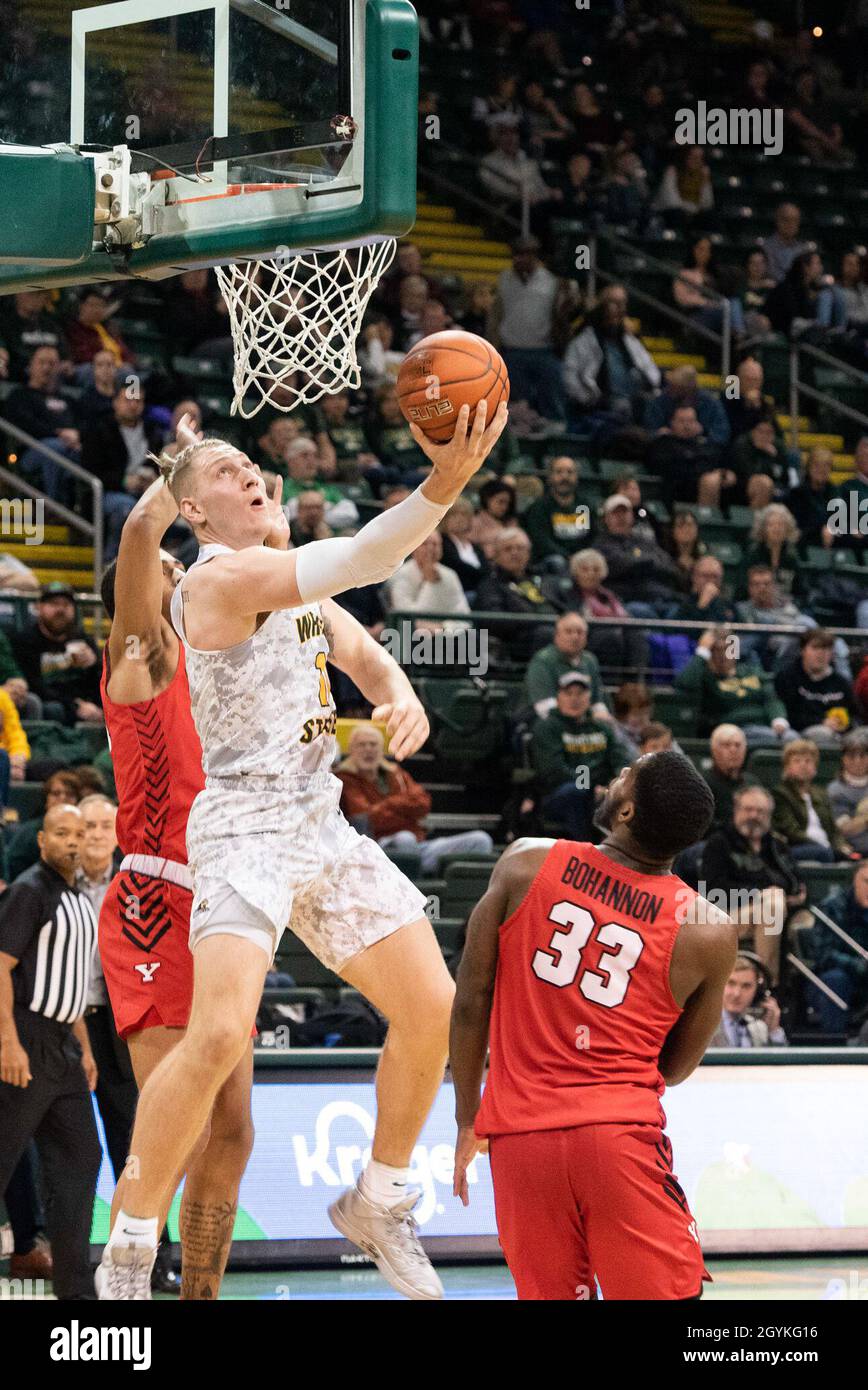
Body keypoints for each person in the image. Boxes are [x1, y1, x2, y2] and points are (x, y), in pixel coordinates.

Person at [96, 398, 508, 1301]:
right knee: (211, 1038)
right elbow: (366, 557)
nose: (251, 473)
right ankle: (128, 1238)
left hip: (318, 821)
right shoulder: (213, 581)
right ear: (195, 513)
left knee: (432, 1006)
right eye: (225, 473)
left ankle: (380, 1197)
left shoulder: (296, 585)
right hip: (242, 823)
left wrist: (401, 694)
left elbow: (362, 652)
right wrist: (444, 486)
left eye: (253, 464)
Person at [450, 750, 737, 1300]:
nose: (615, 777)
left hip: (519, 1140)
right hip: (618, 1141)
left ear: (627, 812)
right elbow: (675, 1068)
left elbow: (469, 1001)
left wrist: (468, 1119)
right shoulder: (707, 929)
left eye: (627, 775)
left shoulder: (525, 861)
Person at [0, 803, 102, 1301]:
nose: (71, 842)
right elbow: (0, 967)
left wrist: (83, 1047)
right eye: (61, 833)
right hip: (24, 1036)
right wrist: (7, 1041)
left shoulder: (79, 898)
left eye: (78, 834)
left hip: (62, 1046)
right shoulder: (29, 891)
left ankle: (77, 1294)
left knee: (82, 1157)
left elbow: (72, 984)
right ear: (42, 841)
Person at [337, 725, 492, 874]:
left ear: (382, 749)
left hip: (419, 846)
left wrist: (389, 806)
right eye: (362, 745)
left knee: (481, 840)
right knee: (405, 838)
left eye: (373, 744)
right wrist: (404, 808)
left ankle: (421, 872)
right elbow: (368, 818)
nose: (368, 749)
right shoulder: (344, 778)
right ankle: (415, 887)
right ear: (351, 750)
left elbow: (423, 803)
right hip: (376, 849)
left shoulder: (396, 773)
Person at [700, 784, 804, 981]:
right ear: (737, 810)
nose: (754, 816)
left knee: (803, 922)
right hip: (726, 916)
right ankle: (766, 983)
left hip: (779, 911)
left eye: (761, 812)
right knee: (771, 906)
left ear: (769, 816)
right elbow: (713, 891)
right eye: (748, 810)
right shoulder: (719, 842)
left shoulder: (775, 844)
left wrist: (792, 893)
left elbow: (795, 881)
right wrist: (759, 894)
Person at [488, 236, 573, 423]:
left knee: (552, 396)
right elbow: (496, 315)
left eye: (525, 255)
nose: (520, 259)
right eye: (517, 255)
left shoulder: (552, 281)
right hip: (512, 349)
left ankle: (556, 427)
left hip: (544, 349)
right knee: (517, 403)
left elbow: (565, 313)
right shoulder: (504, 279)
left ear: (534, 256)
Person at [530, 672, 622, 840]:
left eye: (580, 693)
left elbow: (619, 760)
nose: (574, 699)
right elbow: (554, 771)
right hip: (558, 795)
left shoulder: (602, 728)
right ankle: (585, 850)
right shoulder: (547, 727)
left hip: (600, 792)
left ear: (590, 697)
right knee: (578, 791)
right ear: (558, 697)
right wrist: (591, 786)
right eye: (568, 693)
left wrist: (613, 786)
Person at [562, 284, 660, 433]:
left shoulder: (630, 341)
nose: (620, 308)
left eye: (623, 303)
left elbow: (652, 372)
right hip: (601, 404)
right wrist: (588, 399)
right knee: (622, 408)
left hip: (636, 400)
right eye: (614, 302)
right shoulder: (584, 341)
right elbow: (569, 377)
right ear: (602, 305)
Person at [675, 628, 792, 746]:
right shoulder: (706, 676)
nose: (723, 655)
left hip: (766, 727)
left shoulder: (751, 670)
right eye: (717, 650)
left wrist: (778, 719)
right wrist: (701, 652)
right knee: (784, 740)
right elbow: (684, 684)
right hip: (733, 731)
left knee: (794, 739)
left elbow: (770, 696)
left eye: (727, 648)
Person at [11, 583, 103, 727]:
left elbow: (99, 682)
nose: (60, 609)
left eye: (66, 604)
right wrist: (75, 706)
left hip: (86, 707)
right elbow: (33, 685)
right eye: (54, 604)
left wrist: (95, 664)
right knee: (54, 709)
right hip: (52, 706)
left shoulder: (83, 641)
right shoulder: (25, 640)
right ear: (39, 607)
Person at [559, 548, 648, 675]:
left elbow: (628, 618)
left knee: (636, 632)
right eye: (585, 569)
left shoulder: (610, 597)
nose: (591, 574)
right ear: (576, 572)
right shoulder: (568, 595)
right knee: (611, 636)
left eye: (596, 570)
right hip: (587, 639)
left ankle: (635, 681)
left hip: (616, 637)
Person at [595, 494, 684, 617]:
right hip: (630, 601)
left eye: (625, 512)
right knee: (641, 612)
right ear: (606, 518)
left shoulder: (646, 541)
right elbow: (621, 565)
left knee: (682, 611)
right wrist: (650, 563)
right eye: (616, 513)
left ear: (632, 516)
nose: (621, 517)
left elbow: (669, 566)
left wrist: (644, 563)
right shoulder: (602, 545)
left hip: (663, 599)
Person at [805, 861, 868, 1035]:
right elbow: (822, 955)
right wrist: (859, 965)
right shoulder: (832, 906)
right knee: (836, 979)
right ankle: (834, 1044)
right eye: (867, 882)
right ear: (854, 881)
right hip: (832, 978)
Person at [772, 739, 849, 864]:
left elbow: (834, 830)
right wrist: (823, 845)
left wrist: (842, 846)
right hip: (795, 848)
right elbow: (791, 832)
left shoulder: (821, 794)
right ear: (787, 767)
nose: (803, 765)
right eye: (797, 761)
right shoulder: (780, 794)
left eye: (808, 761)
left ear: (815, 767)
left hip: (826, 848)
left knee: (854, 858)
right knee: (824, 853)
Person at [524, 612, 609, 722]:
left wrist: (603, 717)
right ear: (557, 636)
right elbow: (545, 707)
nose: (575, 637)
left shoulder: (590, 660)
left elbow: (597, 702)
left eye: (580, 632)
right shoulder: (543, 660)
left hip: (585, 724)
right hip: (547, 723)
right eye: (568, 632)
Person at [773, 629, 854, 744]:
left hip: (840, 732)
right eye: (815, 648)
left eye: (826, 649)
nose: (821, 653)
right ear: (803, 650)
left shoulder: (841, 682)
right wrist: (822, 722)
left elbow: (855, 713)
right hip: (800, 731)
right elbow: (789, 715)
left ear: (832, 653)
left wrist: (844, 723)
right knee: (824, 734)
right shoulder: (788, 677)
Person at [385, 533, 470, 630]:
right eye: (424, 544)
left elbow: (464, 616)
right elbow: (408, 617)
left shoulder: (450, 575)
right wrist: (430, 583)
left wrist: (443, 628)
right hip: (411, 637)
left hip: (447, 635)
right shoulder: (400, 575)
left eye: (435, 544)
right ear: (413, 548)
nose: (430, 549)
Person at [521, 456, 591, 569]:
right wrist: (568, 557)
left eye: (570, 472)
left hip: (582, 560)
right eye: (559, 472)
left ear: (576, 477)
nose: (565, 476)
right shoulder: (539, 508)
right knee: (558, 562)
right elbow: (541, 541)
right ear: (550, 477)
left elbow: (592, 536)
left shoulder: (585, 506)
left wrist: (582, 557)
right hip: (551, 560)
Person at [707, 955, 787, 1047]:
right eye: (731, 983)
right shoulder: (701, 1025)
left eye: (746, 986)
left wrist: (774, 1030)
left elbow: (779, 1060)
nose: (737, 994)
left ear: (758, 992)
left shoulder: (759, 1029)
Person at [702, 724, 760, 829]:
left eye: (738, 745)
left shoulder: (752, 783)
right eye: (726, 745)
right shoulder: (703, 784)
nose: (733, 750)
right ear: (714, 750)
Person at [827, 729, 868, 859]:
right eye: (851, 756)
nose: (857, 761)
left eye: (862, 755)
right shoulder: (835, 790)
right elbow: (844, 829)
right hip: (855, 851)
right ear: (843, 759)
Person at [762, 203, 809, 285]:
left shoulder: (803, 249)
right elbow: (772, 274)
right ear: (778, 221)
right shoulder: (767, 248)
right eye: (786, 220)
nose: (791, 224)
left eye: (795, 220)